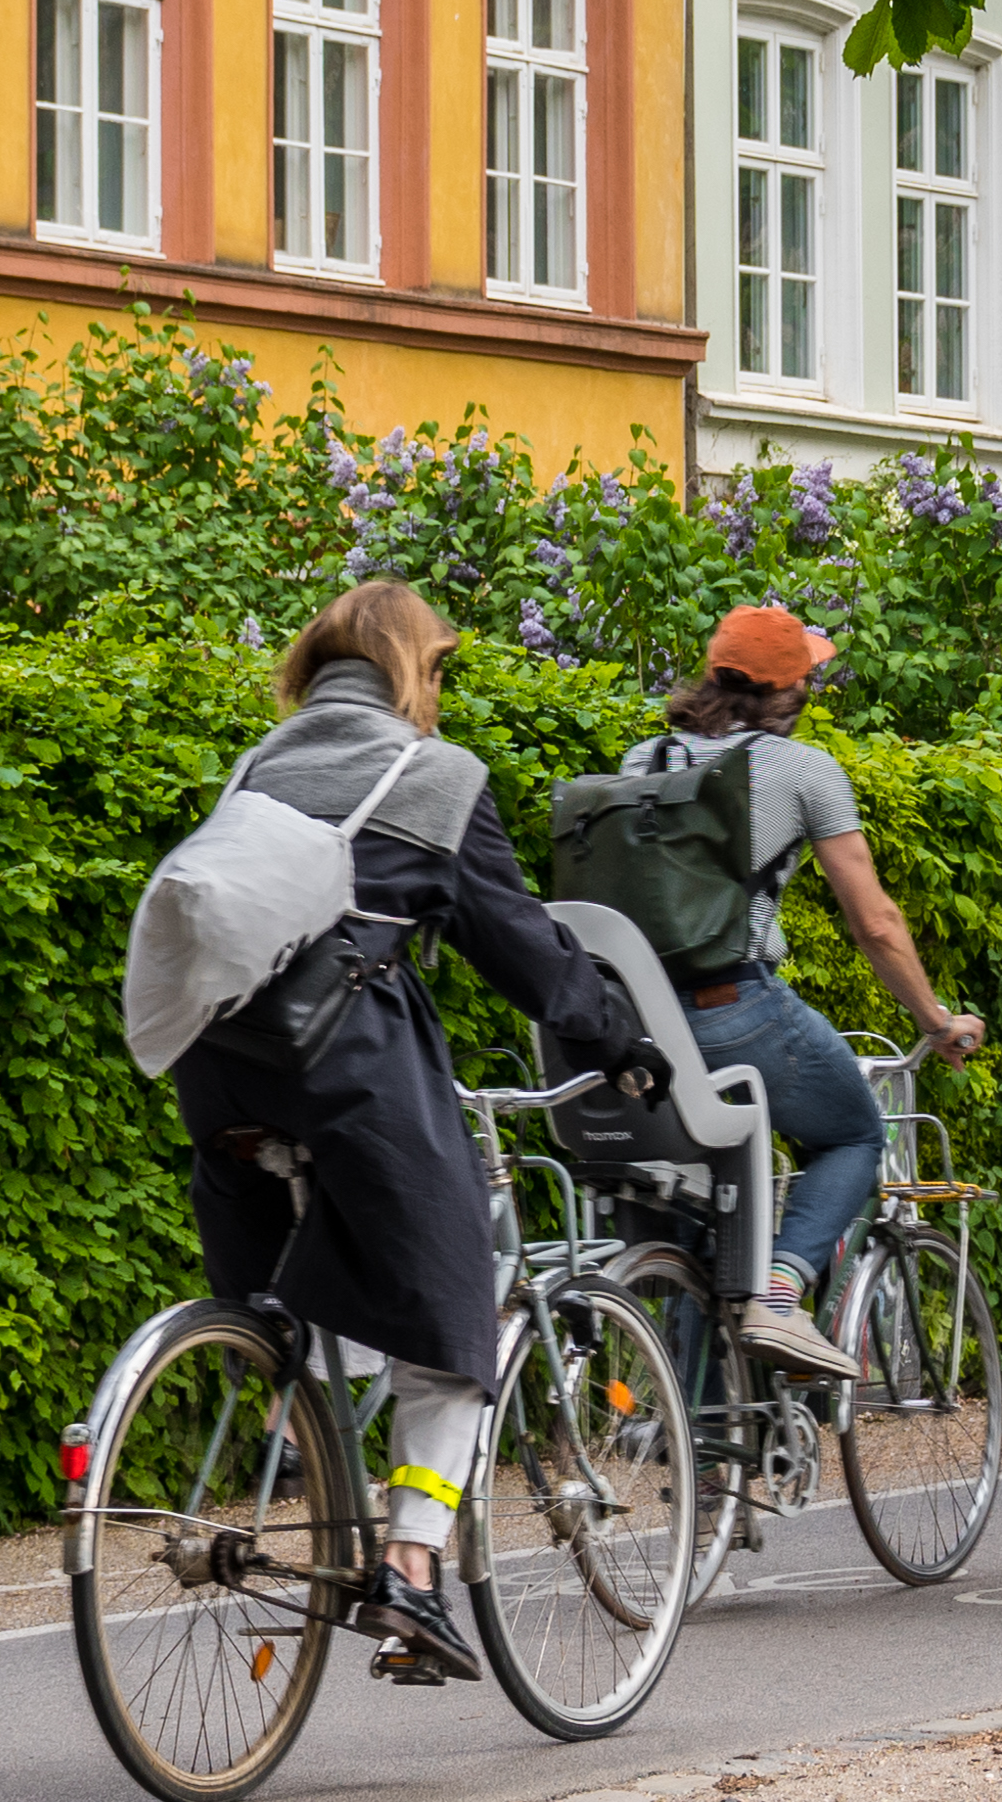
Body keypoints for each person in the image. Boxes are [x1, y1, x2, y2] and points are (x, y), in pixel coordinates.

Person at [162, 580, 642, 1687]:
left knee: (303, 1287)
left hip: (216, 1063)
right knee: (449, 1312)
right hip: (345, 1064)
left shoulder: (258, 766)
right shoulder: (435, 775)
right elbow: (520, 946)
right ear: (413, 669)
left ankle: (291, 1422)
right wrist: (617, 1037)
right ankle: (413, 1567)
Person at [611, 602, 988, 1383]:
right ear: (792, 691)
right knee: (853, 1134)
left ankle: (713, 1475)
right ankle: (780, 1296)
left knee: (709, 1235)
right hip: (733, 1013)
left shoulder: (640, 761)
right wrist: (935, 1019)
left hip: (633, 1030)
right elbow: (874, 924)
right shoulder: (803, 769)